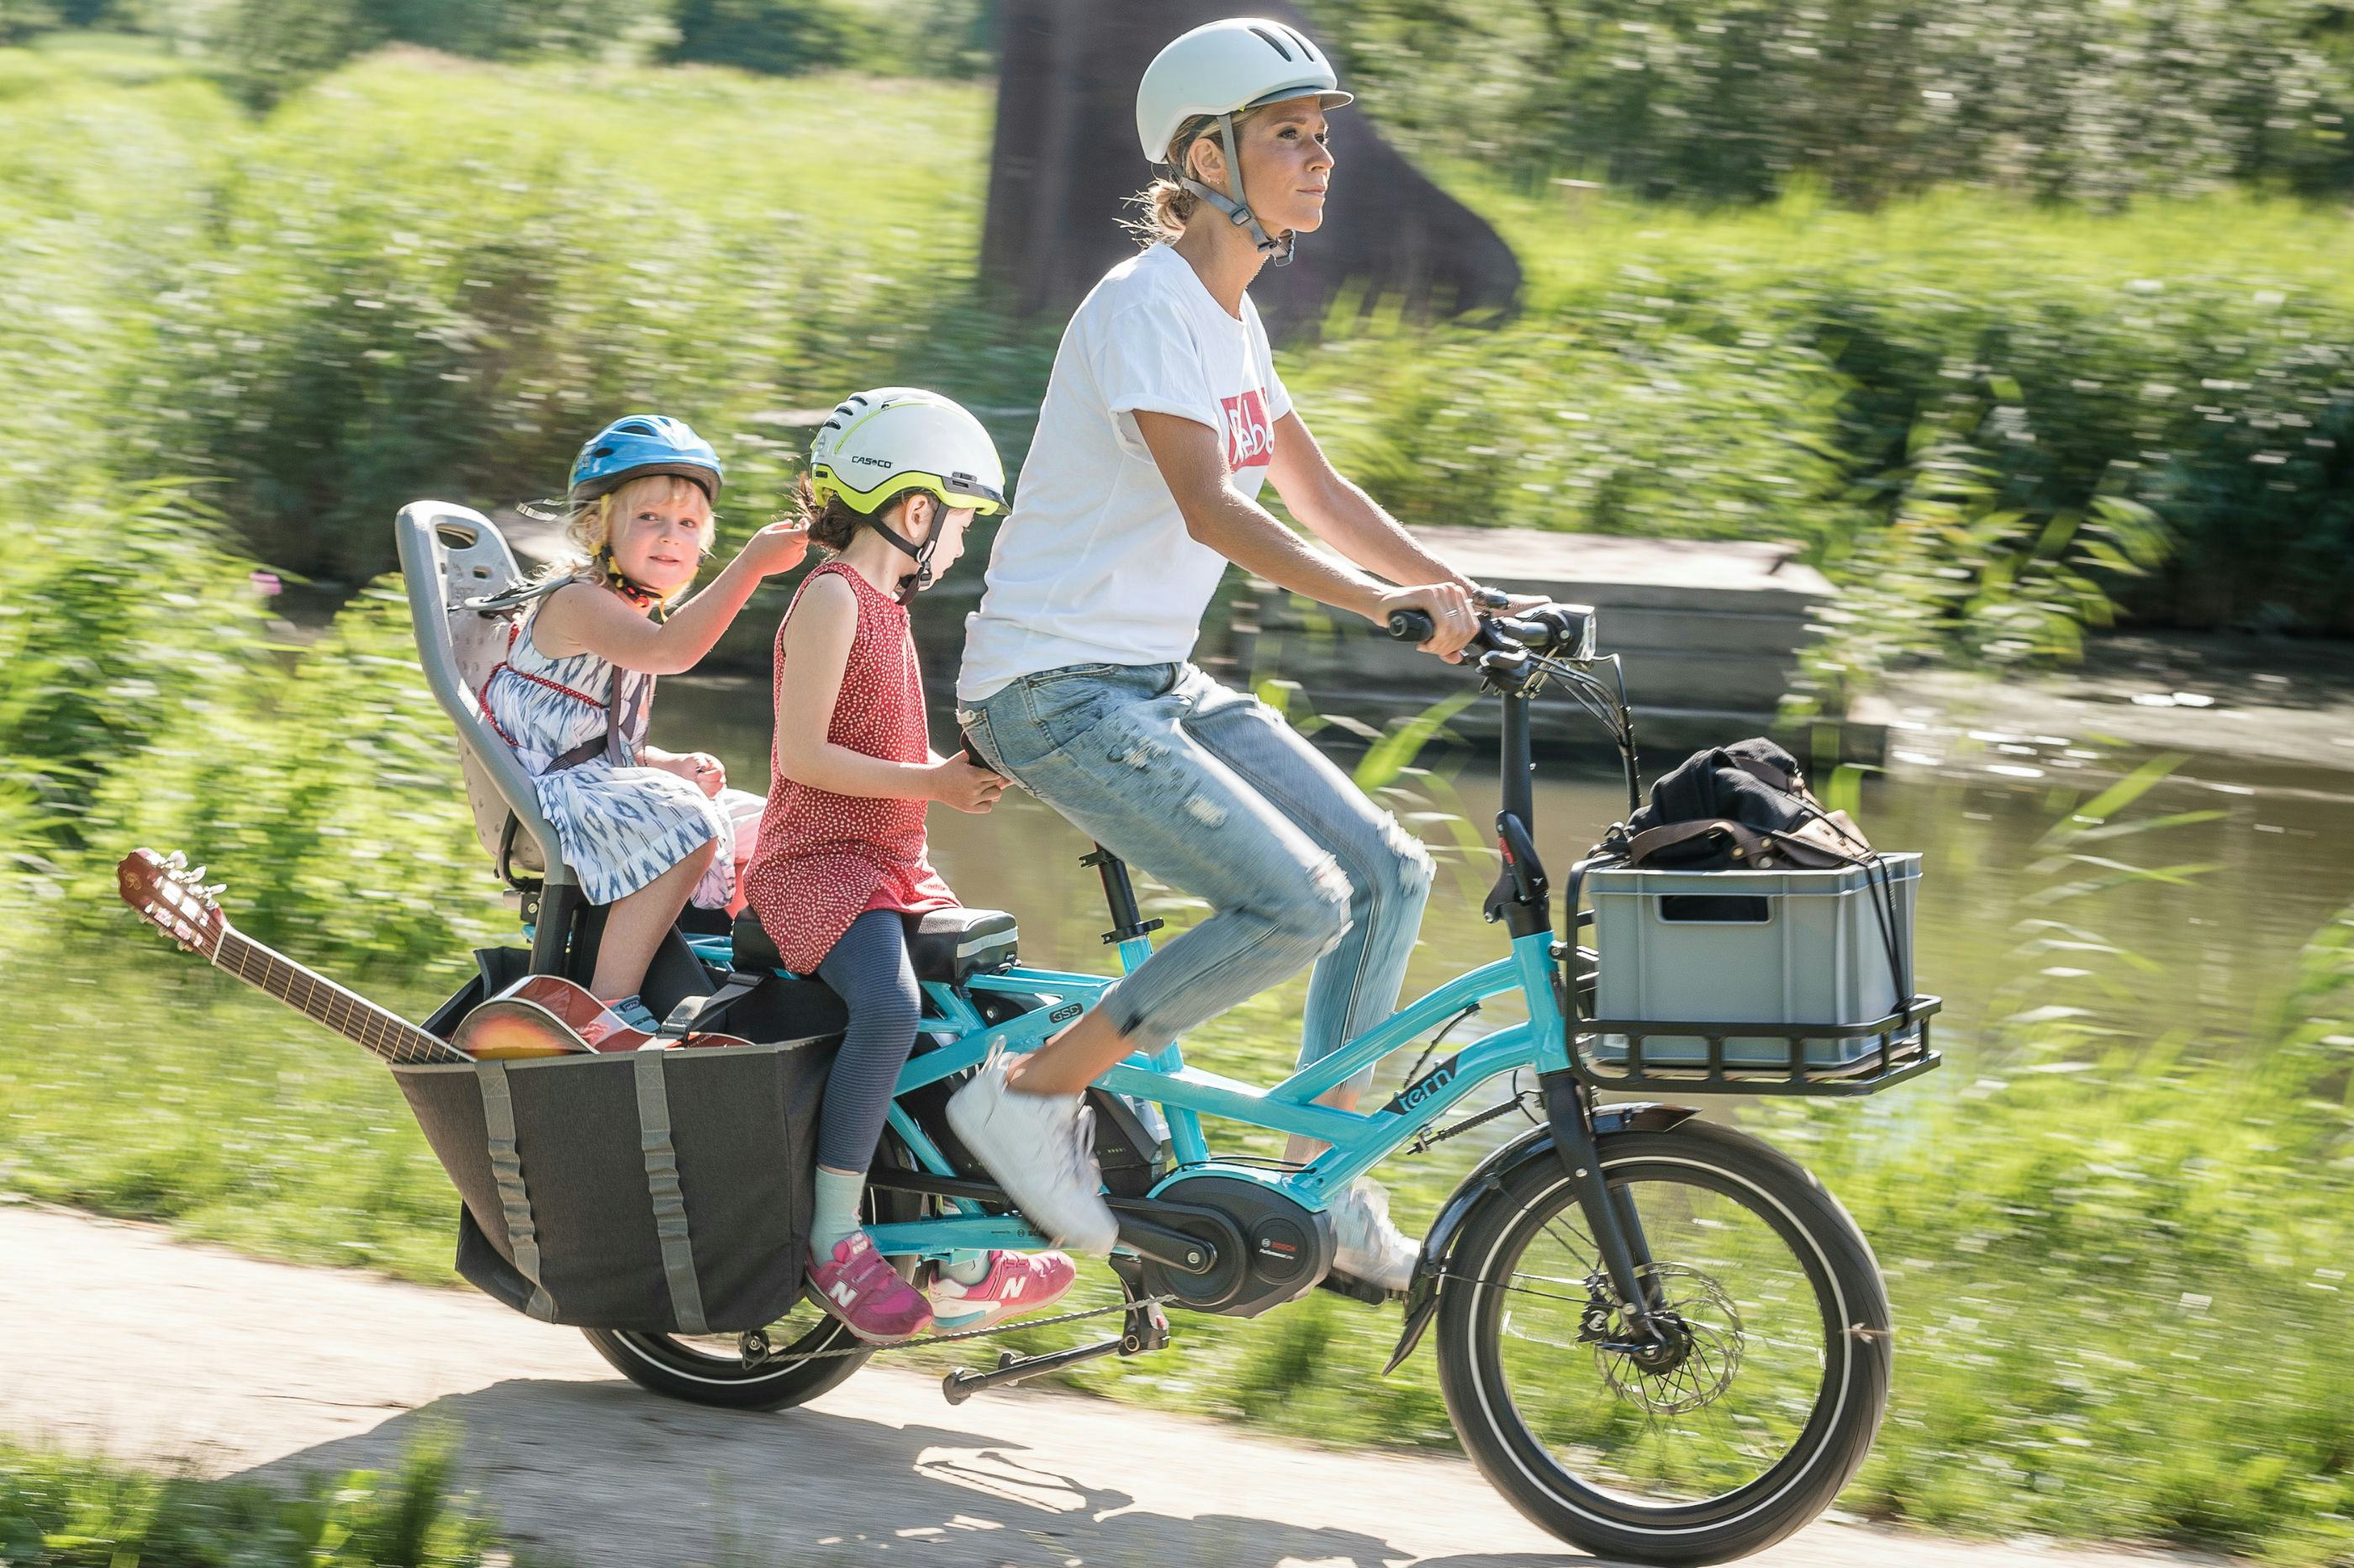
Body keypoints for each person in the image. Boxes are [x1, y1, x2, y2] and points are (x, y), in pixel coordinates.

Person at [946, 18, 1532, 1291]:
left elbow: (1315, 492)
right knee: (1297, 903)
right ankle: (1027, 1093)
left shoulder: (1231, 318)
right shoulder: (1145, 306)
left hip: (1150, 679)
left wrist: (1462, 594)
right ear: (1208, 158)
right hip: (1053, 686)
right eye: (1288, 135)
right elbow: (1215, 509)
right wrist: (1383, 609)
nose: (1322, 157)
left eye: (1321, 135)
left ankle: (1328, 1182)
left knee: (1388, 869)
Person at [743, 388, 1077, 1344]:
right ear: (914, 509)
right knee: (890, 1009)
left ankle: (964, 1258)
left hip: (887, 864)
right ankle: (834, 1237)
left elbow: (885, 748)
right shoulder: (831, 597)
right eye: (961, 521)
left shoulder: (886, 607)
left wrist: (961, 773)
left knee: (964, 1020)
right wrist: (931, 782)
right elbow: (804, 755)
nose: (963, 543)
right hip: (817, 865)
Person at [481, 414, 805, 1035]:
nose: (671, 536)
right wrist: (751, 566)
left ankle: (747, 970)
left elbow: (591, 737)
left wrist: (664, 762)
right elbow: (670, 652)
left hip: (584, 780)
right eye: (650, 517)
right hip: (547, 797)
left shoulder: (627, 608)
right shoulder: (579, 601)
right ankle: (608, 1007)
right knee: (689, 822)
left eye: (688, 524)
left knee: (768, 821)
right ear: (597, 527)